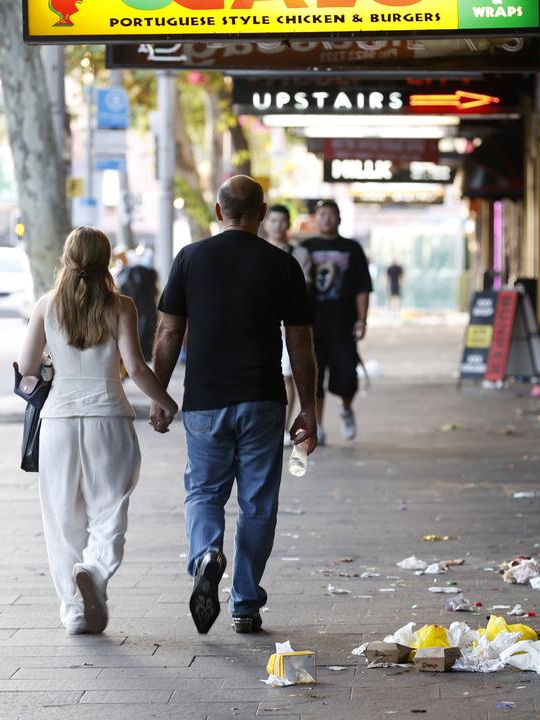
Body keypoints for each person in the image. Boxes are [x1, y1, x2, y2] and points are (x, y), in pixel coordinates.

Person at [150, 176, 318, 635]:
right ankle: (244, 602)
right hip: (264, 399)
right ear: (262, 212)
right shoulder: (283, 265)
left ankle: (206, 554)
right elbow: (301, 343)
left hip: (205, 401)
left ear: (219, 213)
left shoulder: (190, 258)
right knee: (258, 503)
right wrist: (309, 409)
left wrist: (159, 395)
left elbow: (168, 333)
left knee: (204, 492)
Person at [16, 226, 178, 635]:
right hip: (110, 419)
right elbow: (137, 368)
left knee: (62, 520)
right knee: (109, 512)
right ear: (108, 259)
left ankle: (74, 612)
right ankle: (95, 570)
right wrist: (166, 401)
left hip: (57, 423)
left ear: (66, 257)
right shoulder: (122, 306)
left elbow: (27, 370)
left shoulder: (46, 306)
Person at [302, 200, 372, 444]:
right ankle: (318, 427)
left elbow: (363, 287)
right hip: (311, 326)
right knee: (314, 379)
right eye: (322, 214)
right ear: (316, 218)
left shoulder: (352, 248)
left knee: (346, 377)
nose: (327, 218)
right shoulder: (305, 248)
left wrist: (362, 319)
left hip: (343, 324)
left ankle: (345, 408)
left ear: (339, 219)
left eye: (332, 214)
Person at [262, 204, 314, 447]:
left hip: (288, 323)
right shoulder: (256, 248)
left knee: (286, 376)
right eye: (273, 220)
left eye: (283, 221)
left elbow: (303, 289)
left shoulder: (299, 253)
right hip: (260, 324)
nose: (278, 225)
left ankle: (282, 428)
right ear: (265, 222)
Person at [116, 248, 160, 362]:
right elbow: (154, 292)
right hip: (147, 312)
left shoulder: (126, 276)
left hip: (137, 313)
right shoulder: (147, 274)